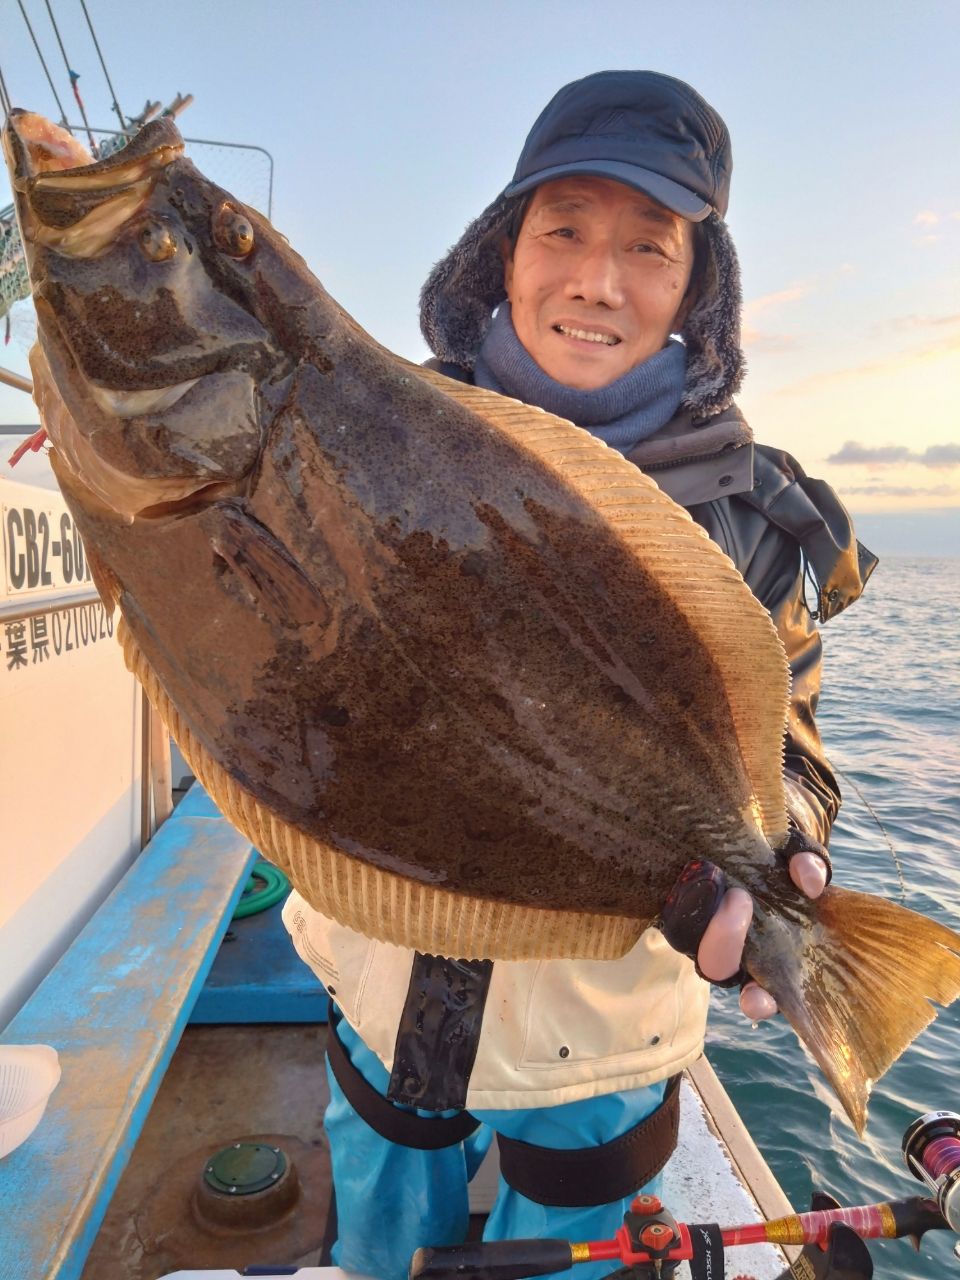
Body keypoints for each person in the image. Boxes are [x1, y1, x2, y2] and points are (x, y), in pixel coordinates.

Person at [282, 70, 875, 1280]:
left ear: (696, 288)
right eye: (564, 230)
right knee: (376, 1243)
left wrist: (786, 842)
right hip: (380, 977)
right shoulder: (369, 433)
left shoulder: (753, 521)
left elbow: (790, 744)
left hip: (593, 1040)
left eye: (648, 247)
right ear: (501, 253)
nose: (598, 280)